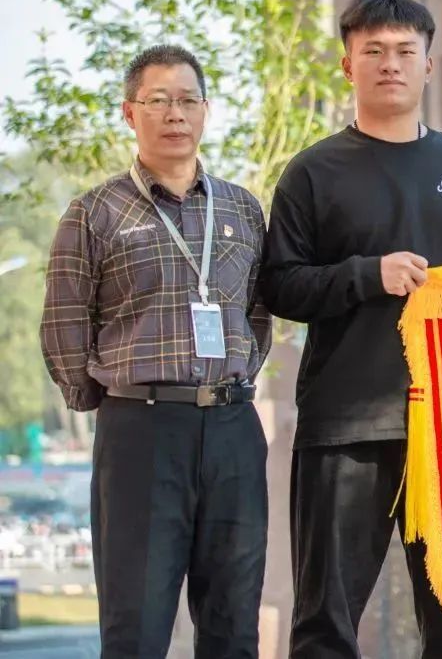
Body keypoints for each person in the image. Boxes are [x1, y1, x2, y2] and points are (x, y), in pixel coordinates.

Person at [260, 0, 442, 658]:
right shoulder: (312, 172)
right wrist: (366, 274)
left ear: (428, 66)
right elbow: (279, 284)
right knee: (326, 621)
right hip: (344, 423)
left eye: (406, 51)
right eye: (374, 51)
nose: (390, 64)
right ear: (346, 65)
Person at [40, 44, 272, 658]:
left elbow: (257, 314)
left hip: (233, 429)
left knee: (233, 625)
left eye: (188, 100)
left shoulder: (243, 209)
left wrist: (226, 383)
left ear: (206, 111)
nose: (175, 114)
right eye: (159, 100)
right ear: (129, 112)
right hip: (140, 431)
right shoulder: (94, 213)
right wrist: (111, 399)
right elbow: (64, 324)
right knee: (136, 627)